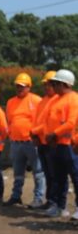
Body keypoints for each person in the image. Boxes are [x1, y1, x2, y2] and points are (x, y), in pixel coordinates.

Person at [3, 72, 44, 207]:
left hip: (31, 142)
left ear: (29, 87)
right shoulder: (10, 102)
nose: (19, 88)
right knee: (18, 173)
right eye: (17, 86)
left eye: (22, 86)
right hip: (16, 143)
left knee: (38, 172)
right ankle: (16, 196)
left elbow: (42, 121)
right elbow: (10, 120)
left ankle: (38, 198)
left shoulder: (37, 100)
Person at [44, 69, 78, 218]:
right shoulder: (56, 100)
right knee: (58, 177)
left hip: (69, 145)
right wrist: (48, 137)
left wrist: (54, 134)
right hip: (56, 145)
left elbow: (71, 123)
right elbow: (49, 121)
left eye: (55, 83)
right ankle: (59, 206)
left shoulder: (73, 99)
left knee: (76, 177)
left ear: (65, 84)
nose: (53, 87)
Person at [31, 70, 59, 209]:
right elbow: (37, 120)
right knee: (48, 174)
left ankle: (55, 202)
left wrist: (34, 132)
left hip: (52, 143)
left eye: (50, 84)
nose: (47, 87)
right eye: (45, 85)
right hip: (41, 142)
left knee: (54, 174)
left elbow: (48, 123)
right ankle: (50, 200)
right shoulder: (42, 101)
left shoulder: (57, 101)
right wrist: (35, 135)